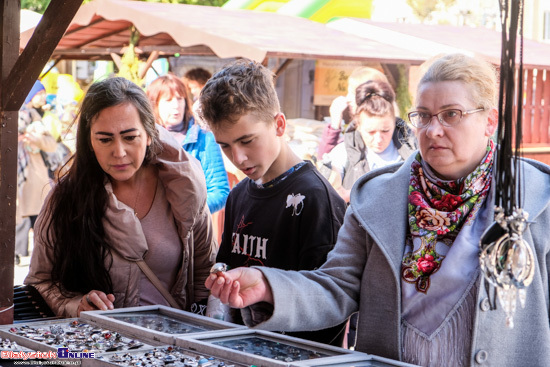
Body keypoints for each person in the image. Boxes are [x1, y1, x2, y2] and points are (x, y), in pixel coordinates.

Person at [205, 53, 550, 366]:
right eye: (424, 116)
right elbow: (336, 287)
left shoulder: (537, 199)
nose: (433, 130)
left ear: (489, 121)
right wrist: (268, 286)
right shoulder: (377, 198)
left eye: (451, 115)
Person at [25, 77, 217, 318]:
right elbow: (41, 281)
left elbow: (204, 275)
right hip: (95, 347)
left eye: (130, 137)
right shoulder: (65, 199)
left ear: (149, 135)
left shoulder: (182, 188)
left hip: (169, 349)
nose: (119, 152)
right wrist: (76, 305)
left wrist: (195, 334)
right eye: (105, 139)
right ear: (89, 142)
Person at [199, 59, 348, 346]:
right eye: (225, 145)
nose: (238, 158)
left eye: (247, 140)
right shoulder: (239, 193)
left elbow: (329, 307)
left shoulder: (318, 200)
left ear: (279, 124)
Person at [321, 80, 416, 202]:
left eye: (385, 130)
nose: (378, 139)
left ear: (395, 123)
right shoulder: (343, 153)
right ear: (358, 126)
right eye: (370, 132)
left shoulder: (412, 151)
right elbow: (327, 195)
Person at [147, 74, 229, 214]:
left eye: (180, 99)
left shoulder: (204, 137)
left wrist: (189, 213)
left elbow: (220, 190)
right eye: (168, 100)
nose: (176, 106)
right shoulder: (144, 139)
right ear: (154, 104)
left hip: (193, 228)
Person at [15, 81, 58, 265]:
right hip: (17, 177)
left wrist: (34, 137)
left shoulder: (35, 116)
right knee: (18, 218)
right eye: (40, 93)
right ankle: (17, 254)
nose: (43, 96)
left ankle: (40, 260)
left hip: (35, 177)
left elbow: (51, 145)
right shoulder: (16, 114)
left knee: (40, 219)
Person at [317, 66, 391, 159]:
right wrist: (335, 124)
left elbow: (325, 159)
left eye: (352, 93)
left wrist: (334, 125)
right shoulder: (354, 130)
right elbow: (326, 162)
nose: (348, 99)